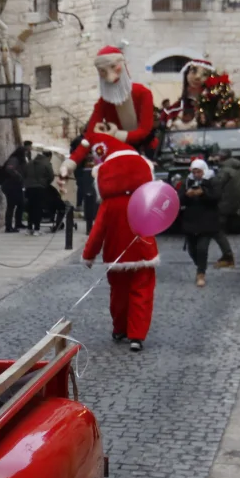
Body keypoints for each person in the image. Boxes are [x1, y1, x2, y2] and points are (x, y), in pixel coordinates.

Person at [80, 134, 160, 350]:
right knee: (142, 294)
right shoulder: (145, 197)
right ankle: (137, 336)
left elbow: (98, 232)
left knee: (119, 295)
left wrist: (89, 255)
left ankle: (119, 328)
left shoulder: (108, 204)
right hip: (144, 252)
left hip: (116, 254)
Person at [66, 46, 158, 170]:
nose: (110, 77)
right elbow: (90, 135)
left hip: (147, 151)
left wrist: (114, 135)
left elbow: (144, 130)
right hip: (119, 153)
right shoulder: (104, 102)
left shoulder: (143, 93)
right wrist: (70, 163)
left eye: (114, 67)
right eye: (103, 71)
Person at [181, 159, 222, 287]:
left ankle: (201, 273)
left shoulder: (212, 181)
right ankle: (200, 265)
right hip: (190, 221)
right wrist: (187, 195)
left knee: (202, 248)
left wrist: (203, 193)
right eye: (194, 172)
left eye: (198, 171)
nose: (196, 174)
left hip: (206, 221)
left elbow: (216, 197)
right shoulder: (187, 182)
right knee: (192, 250)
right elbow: (179, 198)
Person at [212, 152, 240, 266]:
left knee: (216, 230)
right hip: (235, 204)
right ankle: (226, 255)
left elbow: (215, 185)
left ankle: (228, 256)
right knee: (218, 230)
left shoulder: (225, 170)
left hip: (224, 204)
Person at [23, 146, 54, 234]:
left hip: (29, 188)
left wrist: (27, 183)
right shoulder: (46, 163)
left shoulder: (30, 163)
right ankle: (37, 228)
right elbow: (51, 176)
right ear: (49, 156)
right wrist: (45, 184)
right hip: (40, 188)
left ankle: (29, 228)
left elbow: (24, 174)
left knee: (30, 208)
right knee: (38, 208)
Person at [0, 146, 28, 231]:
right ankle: (8, 227)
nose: (26, 154)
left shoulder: (20, 160)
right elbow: (10, 169)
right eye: (25, 152)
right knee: (11, 206)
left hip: (16, 186)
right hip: (11, 186)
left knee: (21, 204)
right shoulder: (14, 159)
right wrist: (19, 176)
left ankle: (18, 223)